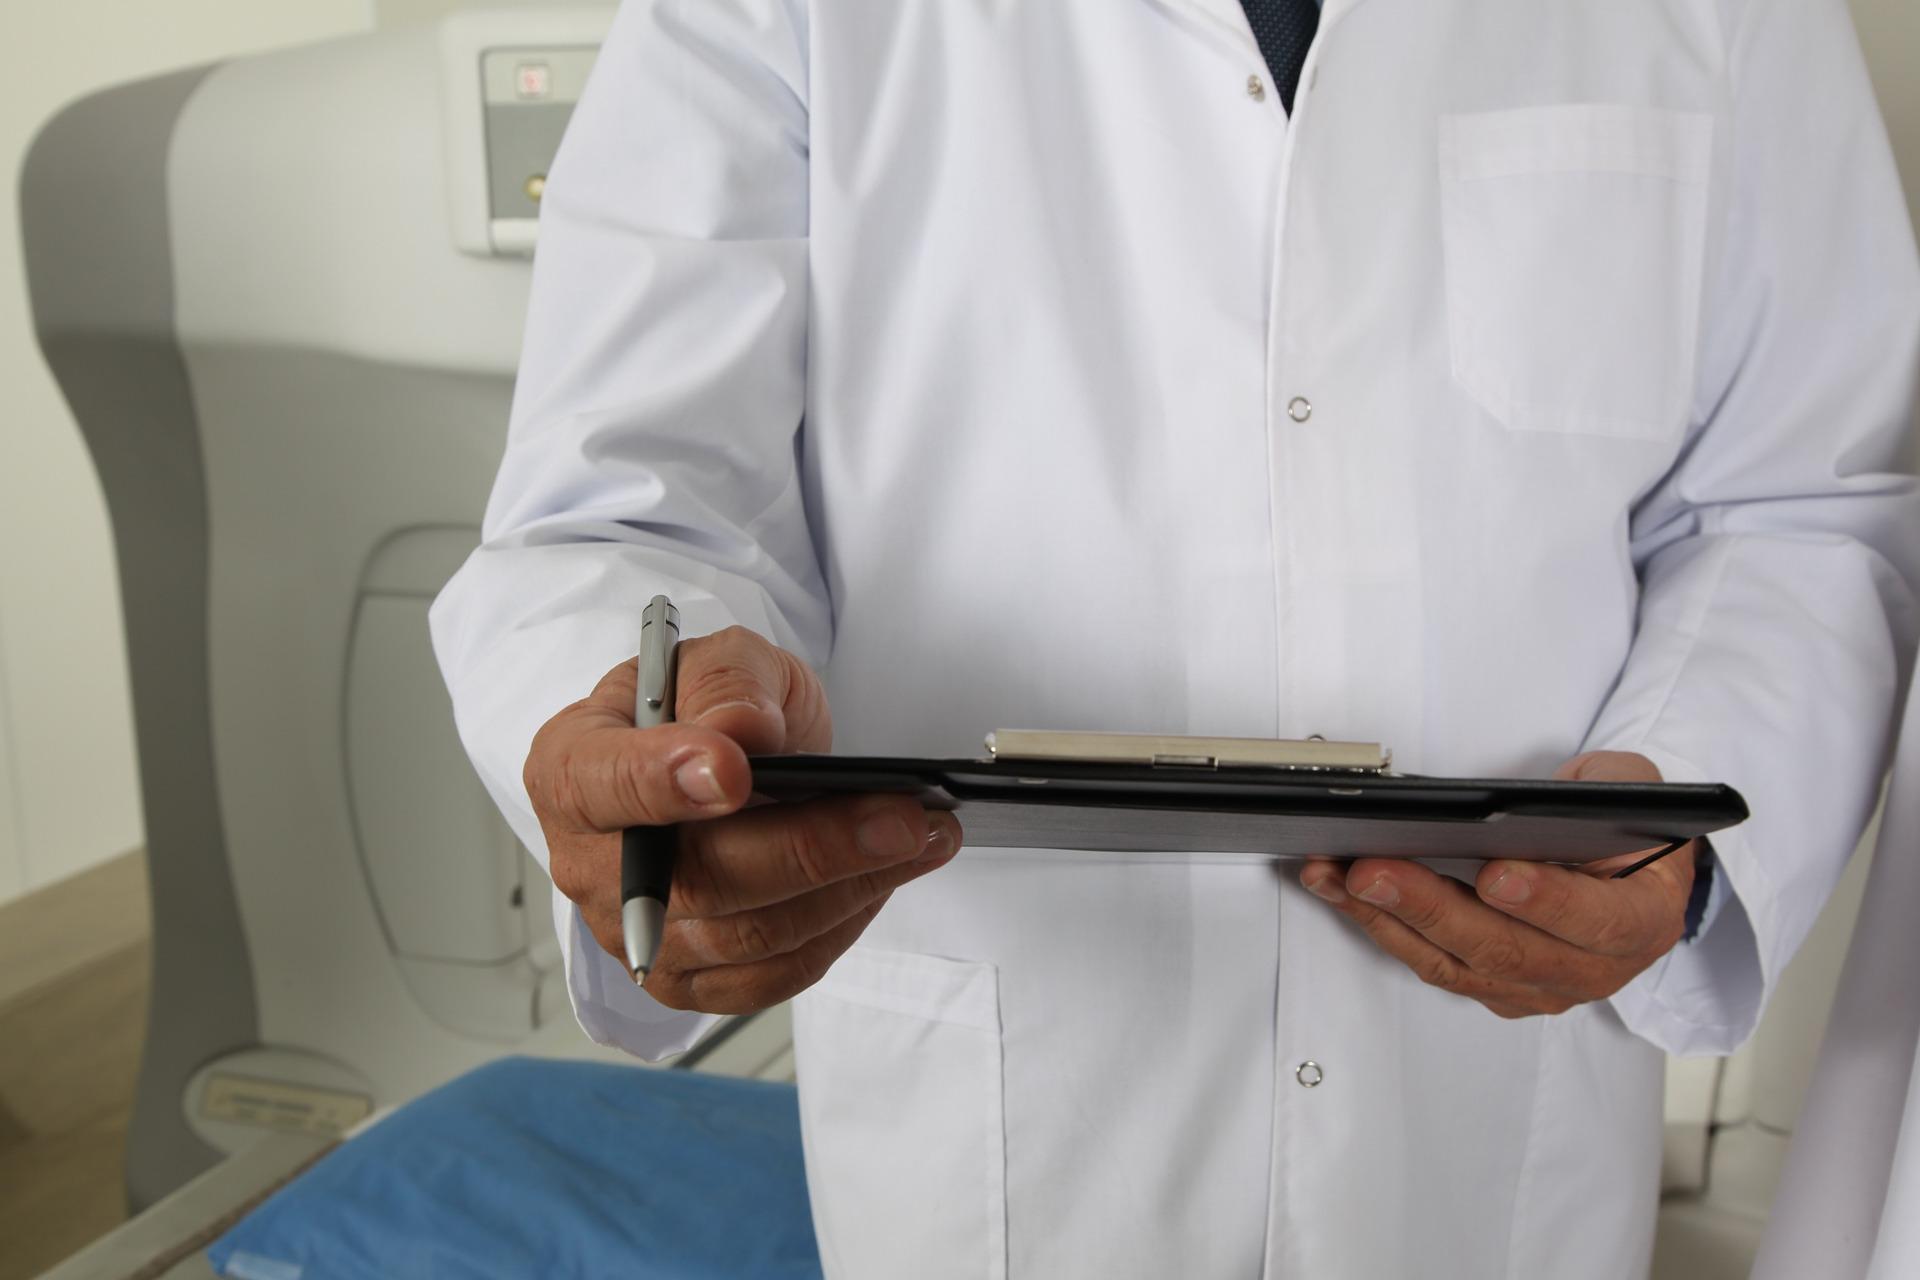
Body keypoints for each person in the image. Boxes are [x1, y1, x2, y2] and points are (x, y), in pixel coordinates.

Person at [430, 0, 1920, 1274]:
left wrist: (1687, 820)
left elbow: (1799, 505)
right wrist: (658, 746)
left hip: (1488, 1136)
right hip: (1012, 1148)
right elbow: (627, 509)